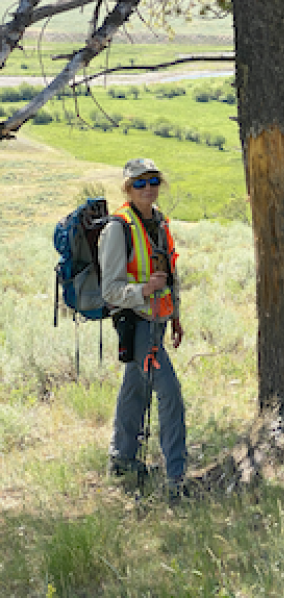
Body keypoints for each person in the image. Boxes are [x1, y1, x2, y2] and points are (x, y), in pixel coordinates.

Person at [99, 157, 187, 496]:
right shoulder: (117, 229)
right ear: (127, 188)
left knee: (134, 388)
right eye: (139, 182)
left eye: (153, 180)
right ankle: (175, 480)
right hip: (135, 325)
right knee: (170, 396)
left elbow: (170, 275)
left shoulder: (159, 222)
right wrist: (143, 291)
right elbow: (110, 290)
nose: (148, 188)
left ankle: (121, 460)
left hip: (159, 322)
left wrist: (175, 316)